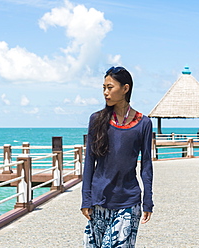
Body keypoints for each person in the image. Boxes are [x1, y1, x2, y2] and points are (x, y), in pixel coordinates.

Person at [81, 66, 154, 248]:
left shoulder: (143, 123)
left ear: (125, 88)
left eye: (110, 87)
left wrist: (148, 200)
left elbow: (146, 164)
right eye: (103, 88)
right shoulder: (97, 119)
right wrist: (86, 198)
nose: (105, 92)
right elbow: (89, 162)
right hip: (99, 201)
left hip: (128, 201)